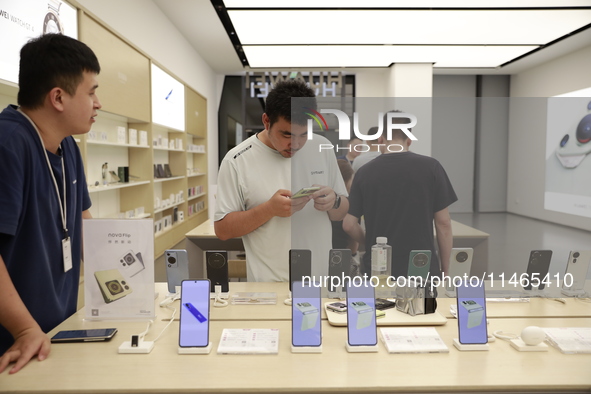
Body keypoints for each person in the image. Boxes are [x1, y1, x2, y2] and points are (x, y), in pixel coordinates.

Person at [0, 34, 100, 374]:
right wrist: (25, 329)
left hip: (56, 331)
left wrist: (123, 289)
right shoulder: (9, 144)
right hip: (14, 345)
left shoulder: (68, 145)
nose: (98, 103)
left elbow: (84, 221)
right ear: (58, 97)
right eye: (91, 91)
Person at [215, 80, 349, 282]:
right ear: (266, 121)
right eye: (287, 134)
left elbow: (341, 212)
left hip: (319, 282)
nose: (295, 144)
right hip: (268, 286)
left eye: (303, 135)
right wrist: (269, 209)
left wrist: (335, 201)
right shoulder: (237, 160)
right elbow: (223, 230)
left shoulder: (323, 147)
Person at [343, 111, 457, 279]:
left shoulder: (365, 172)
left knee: (378, 305)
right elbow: (444, 223)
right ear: (409, 140)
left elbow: (349, 224)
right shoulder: (432, 167)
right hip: (420, 264)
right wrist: (446, 269)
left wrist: (371, 242)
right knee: (421, 305)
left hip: (378, 265)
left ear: (380, 139)